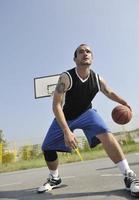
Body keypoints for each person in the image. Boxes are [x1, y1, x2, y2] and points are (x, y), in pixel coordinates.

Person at [38, 44, 139, 196]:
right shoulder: (66, 77)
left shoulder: (97, 79)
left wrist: (124, 103)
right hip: (66, 115)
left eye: (88, 51)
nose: (85, 53)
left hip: (87, 113)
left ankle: (129, 175)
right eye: (81, 51)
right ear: (75, 58)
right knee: (47, 147)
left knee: (106, 133)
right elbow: (56, 105)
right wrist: (66, 130)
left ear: (92, 57)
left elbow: (109, 92)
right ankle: (54, 178)